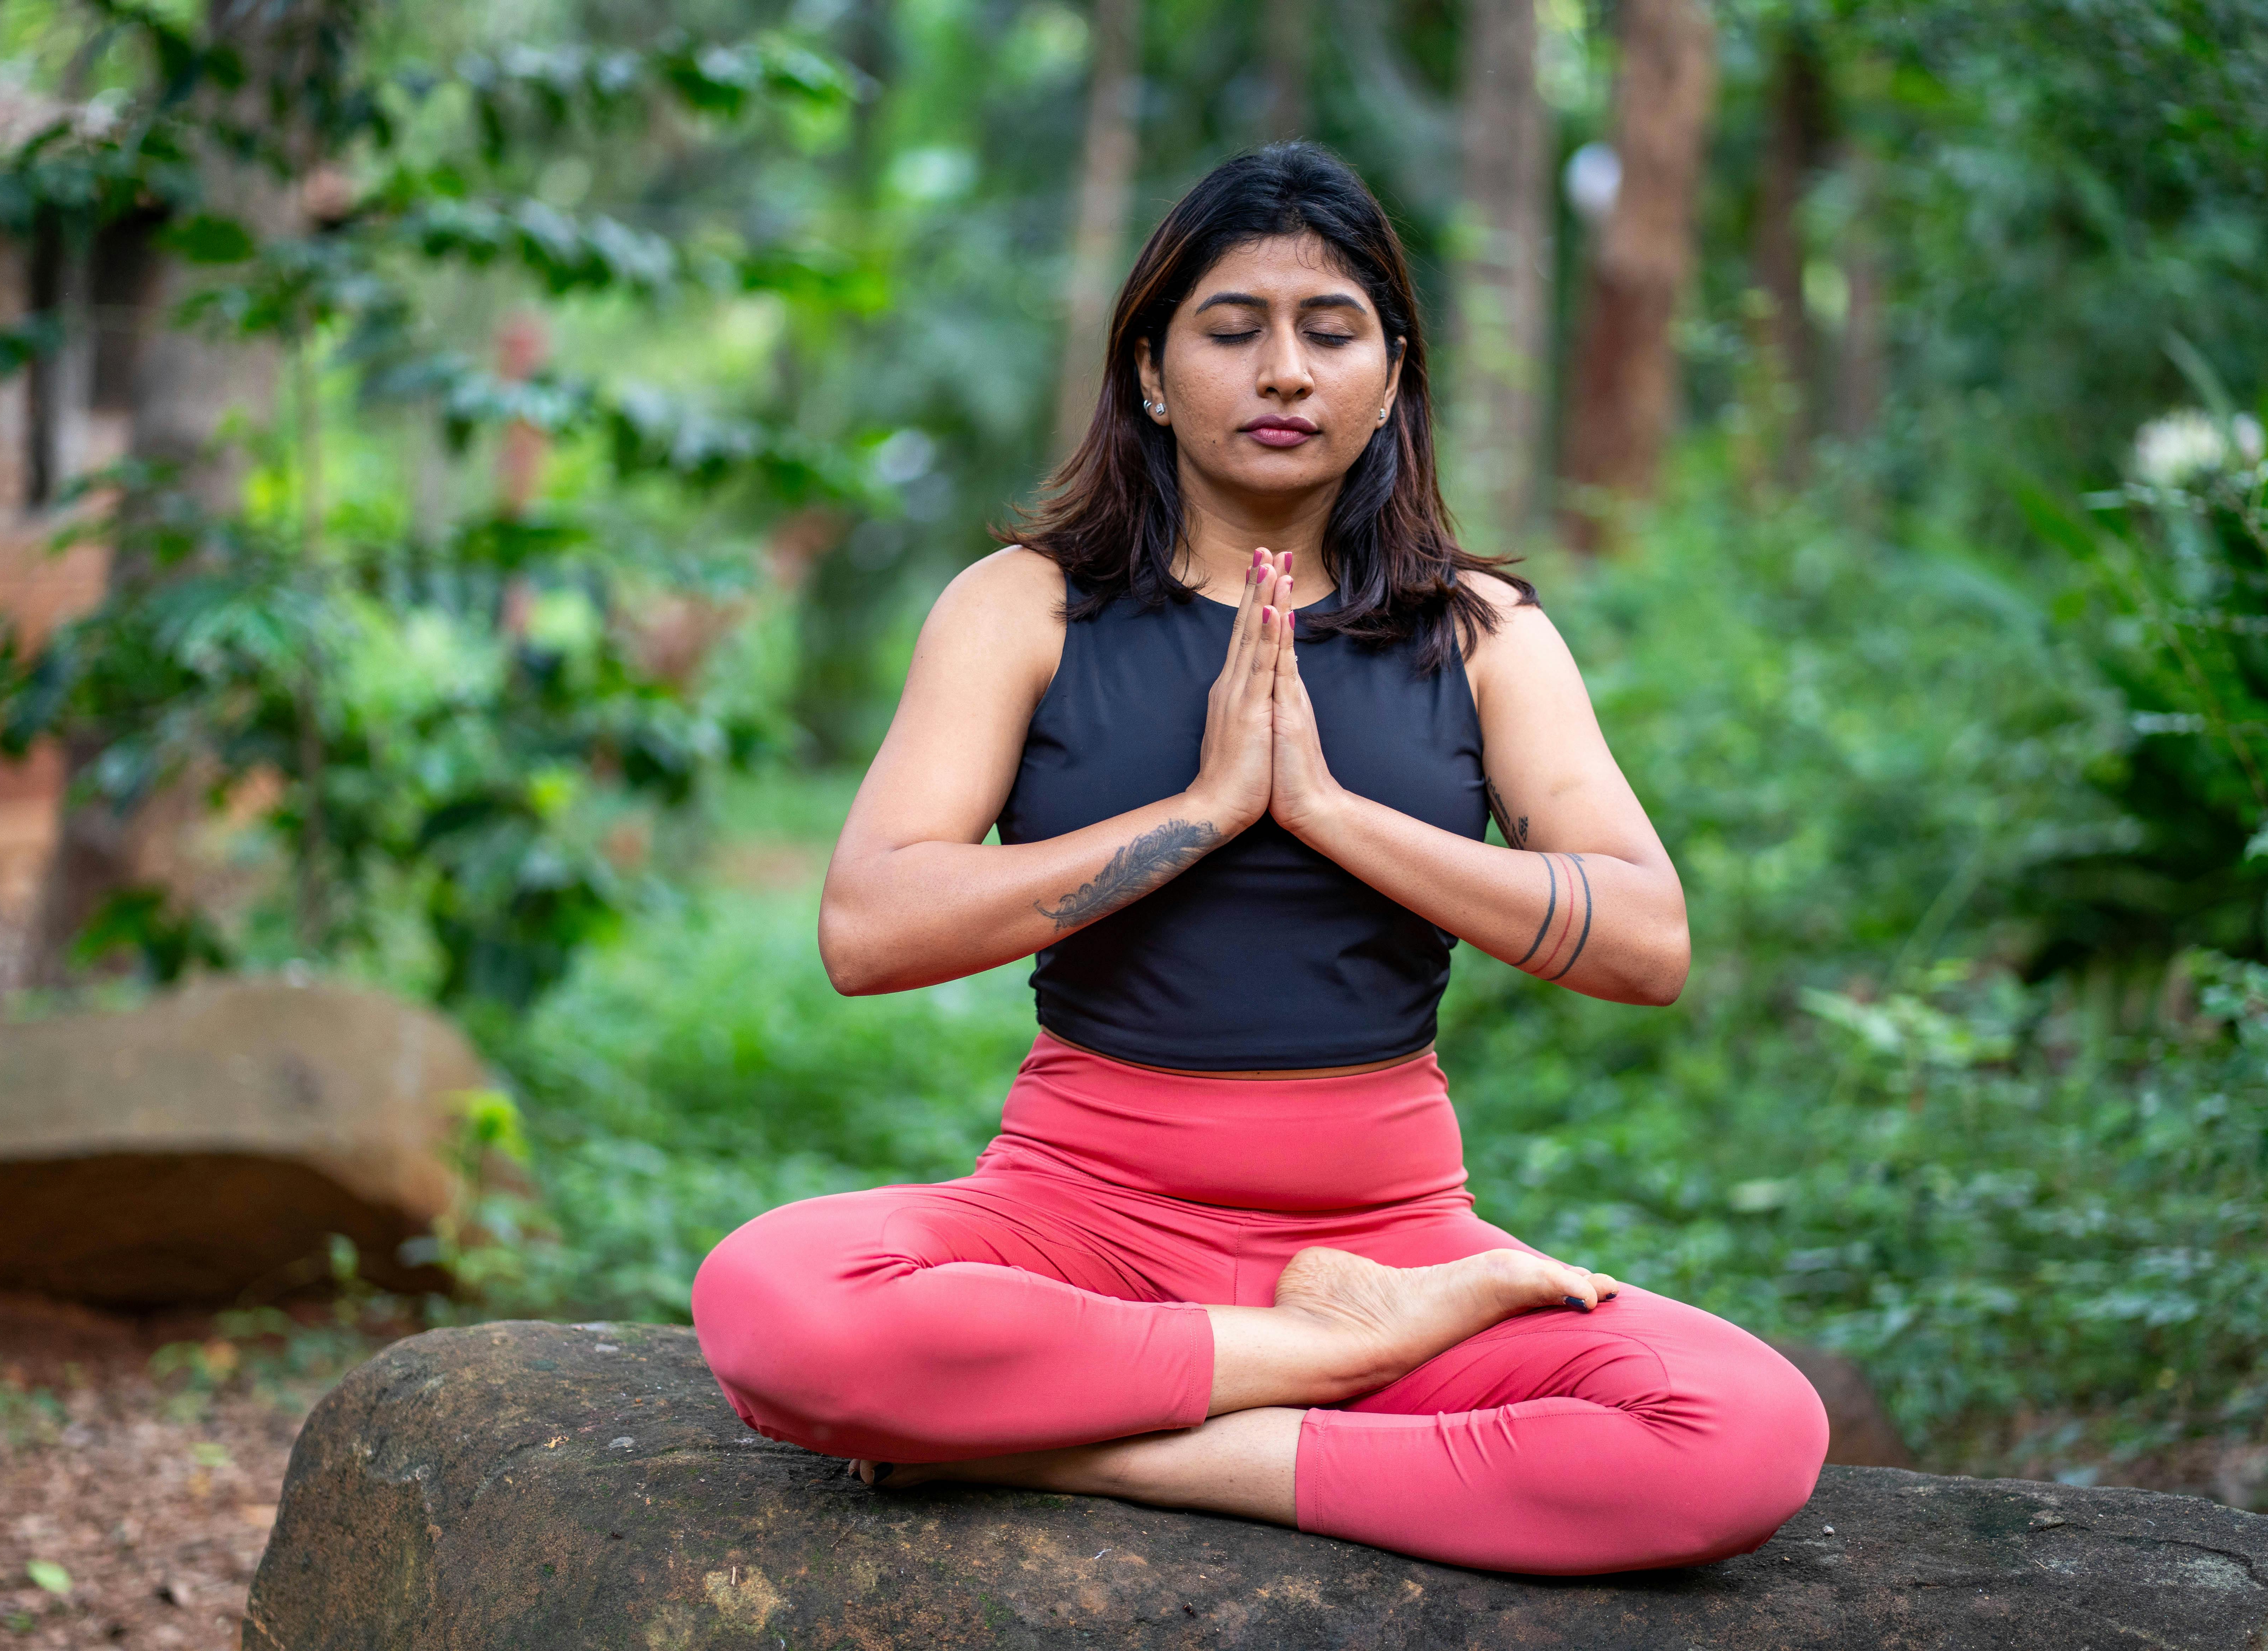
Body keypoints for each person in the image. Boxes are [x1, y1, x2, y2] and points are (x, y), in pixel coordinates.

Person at [691, 143, 1827, 1576]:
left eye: (1330, 331)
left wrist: (1335, 814)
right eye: (1233, 331)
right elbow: (870, 928)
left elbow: (1648, 939)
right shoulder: (1027, 609)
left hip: (1392, 1245)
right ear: (1154, 373)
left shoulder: (1481, 634)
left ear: (1393, 376)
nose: (1283, 371)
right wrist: (1207, 809)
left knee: (1744, 1429)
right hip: (1076, 1221)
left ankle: (1101, 1440)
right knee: (779, 1304)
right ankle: (1299, 1363)